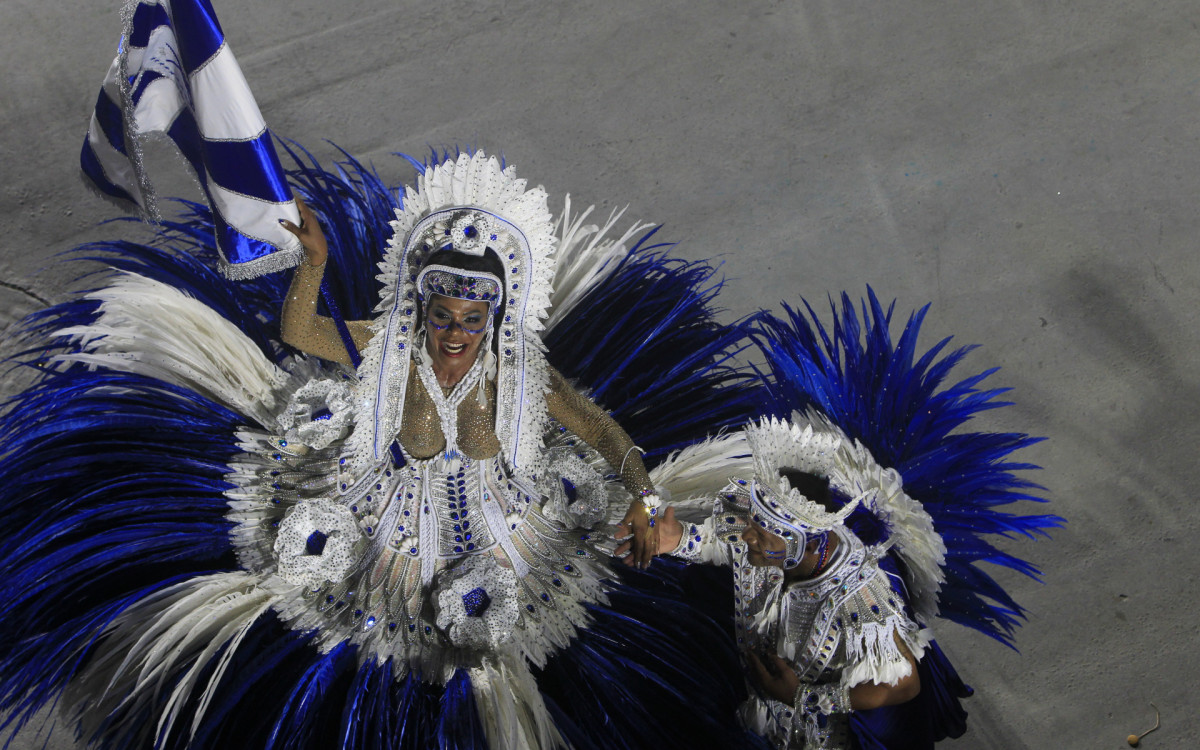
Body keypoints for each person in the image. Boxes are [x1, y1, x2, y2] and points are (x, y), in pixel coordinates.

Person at [618, 415, 943, 749]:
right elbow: (722, 542)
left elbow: (905, 685)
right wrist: (680, 538)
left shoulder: (861, 599)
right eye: (752, 524)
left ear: (808, 543)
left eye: (760, 534)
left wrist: (806, 698)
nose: (746, 535)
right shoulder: (775, 541)